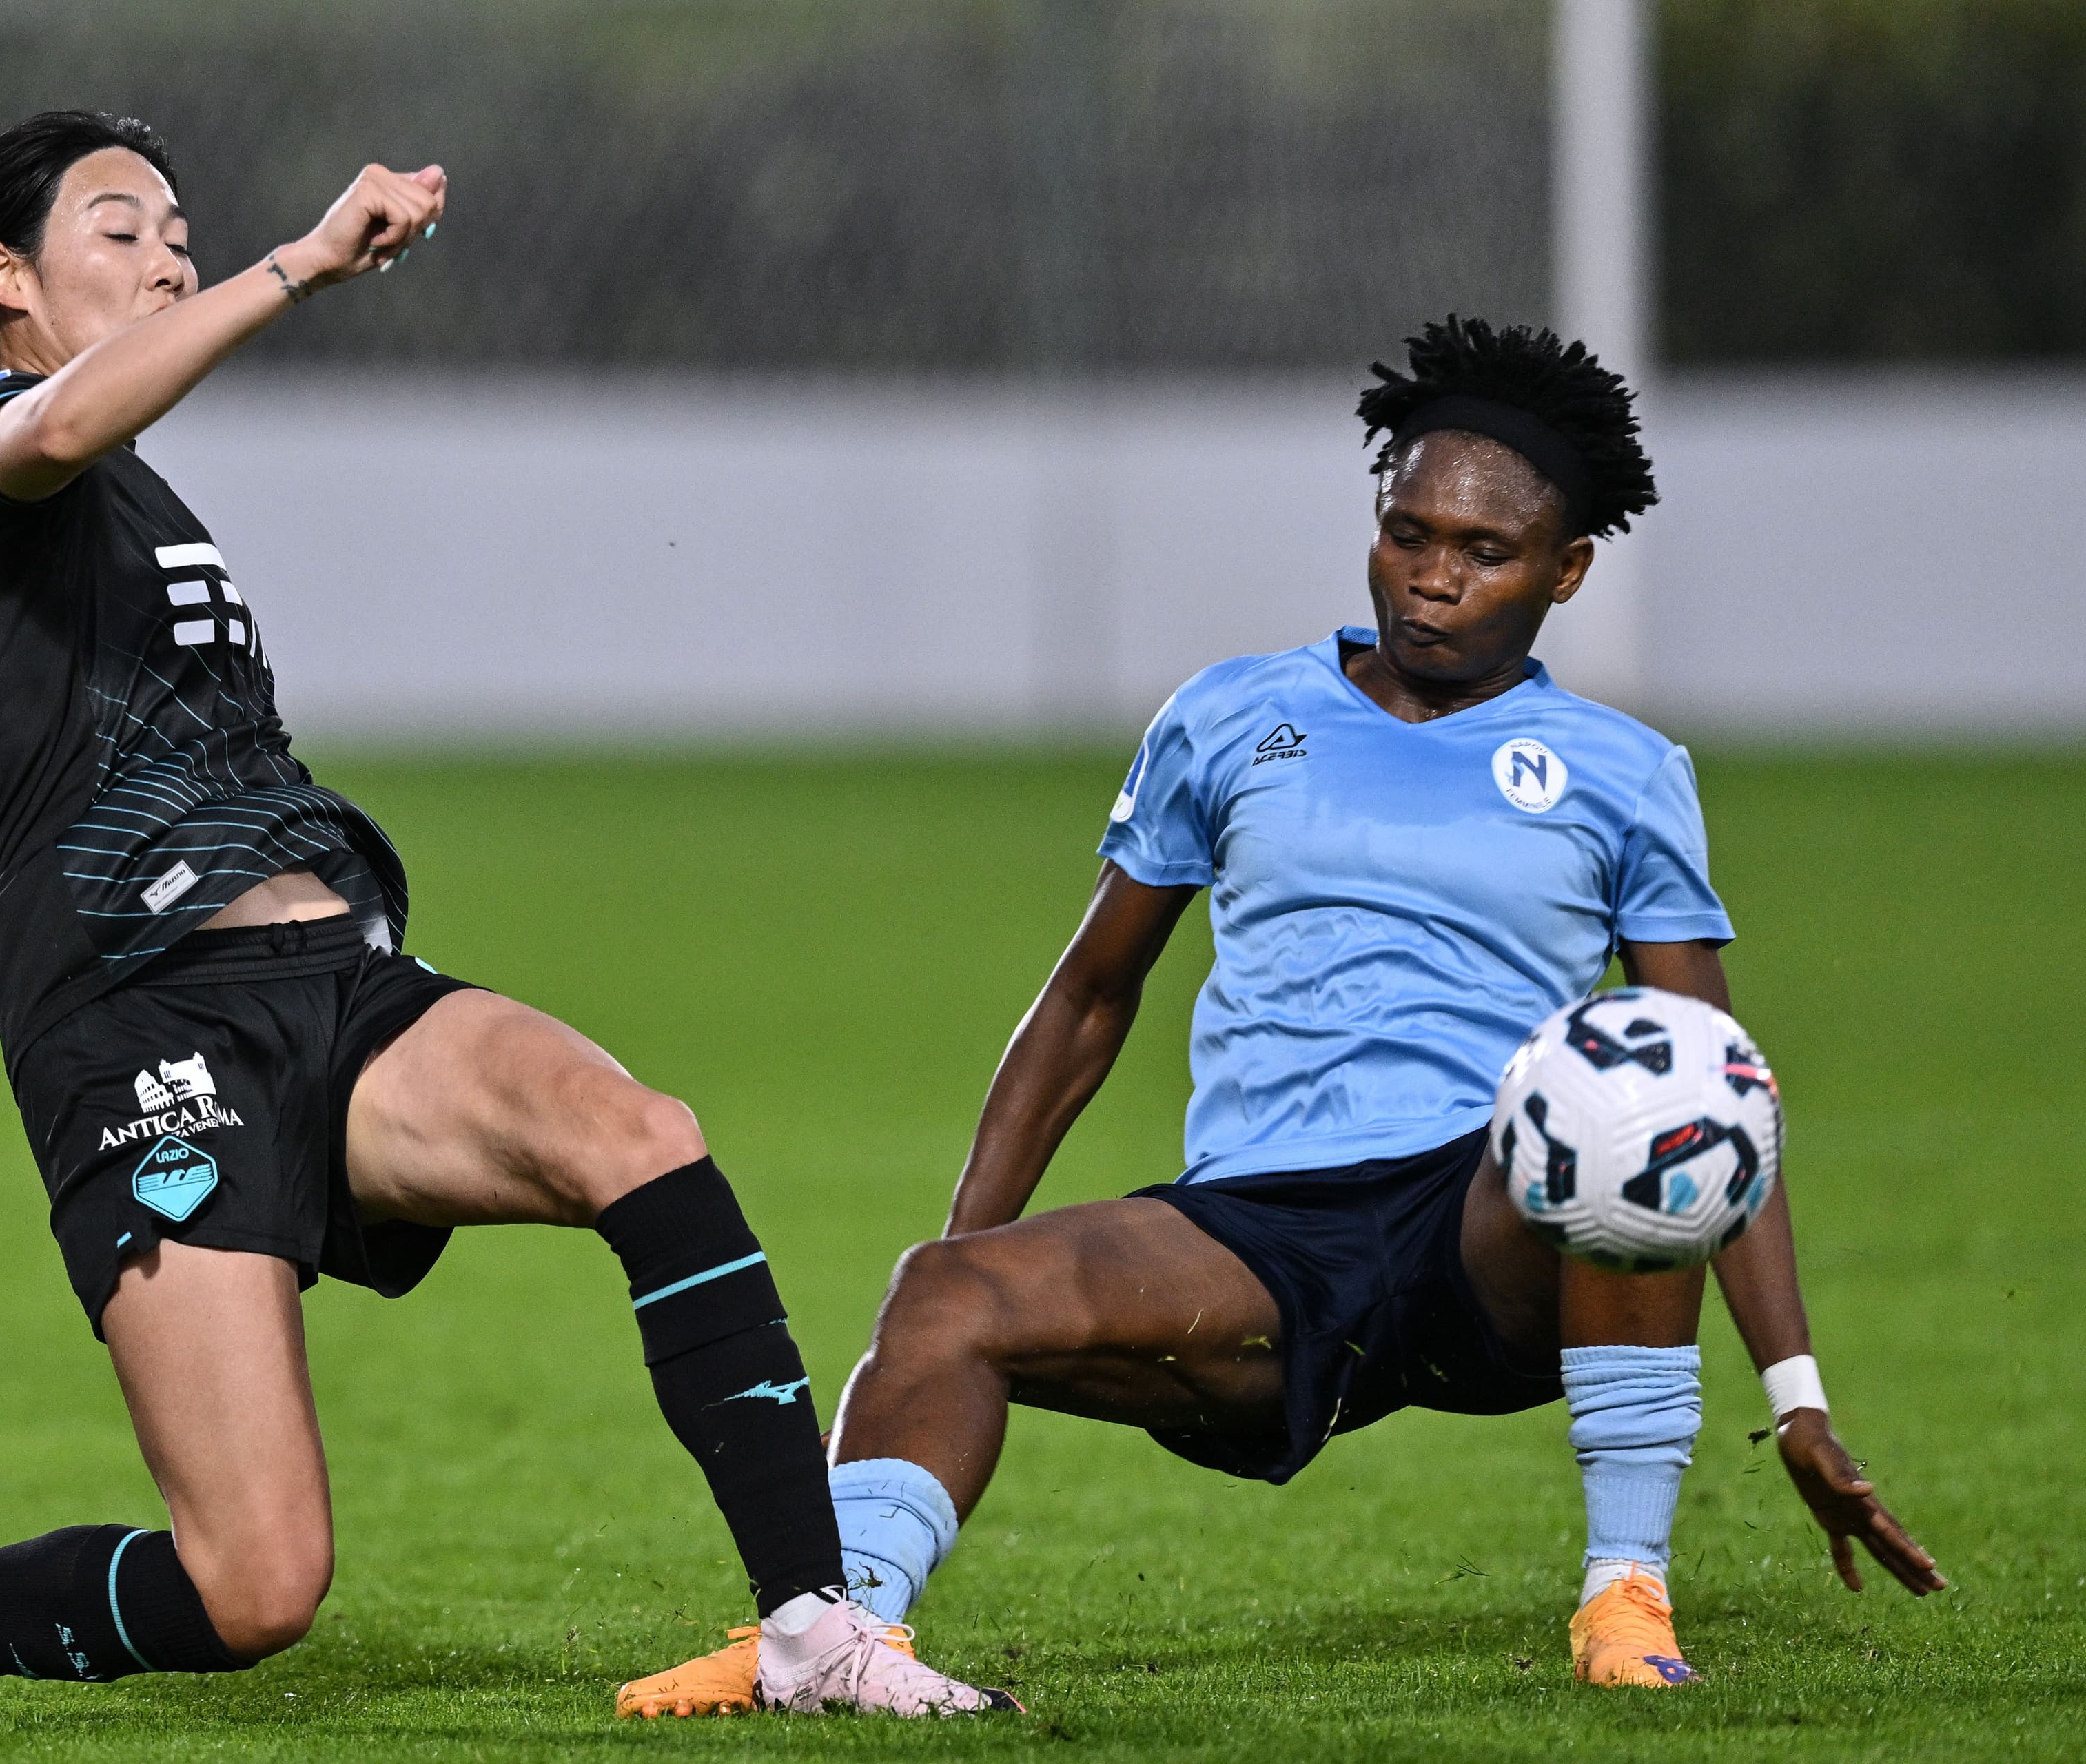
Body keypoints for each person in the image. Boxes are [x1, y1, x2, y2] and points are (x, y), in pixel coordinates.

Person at [0, 110, 1011, 1722]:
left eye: (181, 229)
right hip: (141, 1026)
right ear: (5, 275)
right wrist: (297, 266)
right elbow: (40, 451)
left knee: (640, 1135)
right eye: (122, 227)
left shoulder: (81, 534)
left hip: (341, 990)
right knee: (257, 1582)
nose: (169, 252)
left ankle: (811, 1623)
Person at [619, 316, 1943, 1714]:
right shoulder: (1235, 716)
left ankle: (1625, 1590)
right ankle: (834, 1643)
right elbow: (1088, 997)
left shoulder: (1624, 771)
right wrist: (972, 1263)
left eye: (1482, 553)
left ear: (1566, 569)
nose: (1432, 578)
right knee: (938, 1292)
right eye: (1407, 531)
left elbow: (1720, 1093)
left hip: (1489, 1218)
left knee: (1638, 1099)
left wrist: (1795, 1391)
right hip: (1259, 1230)